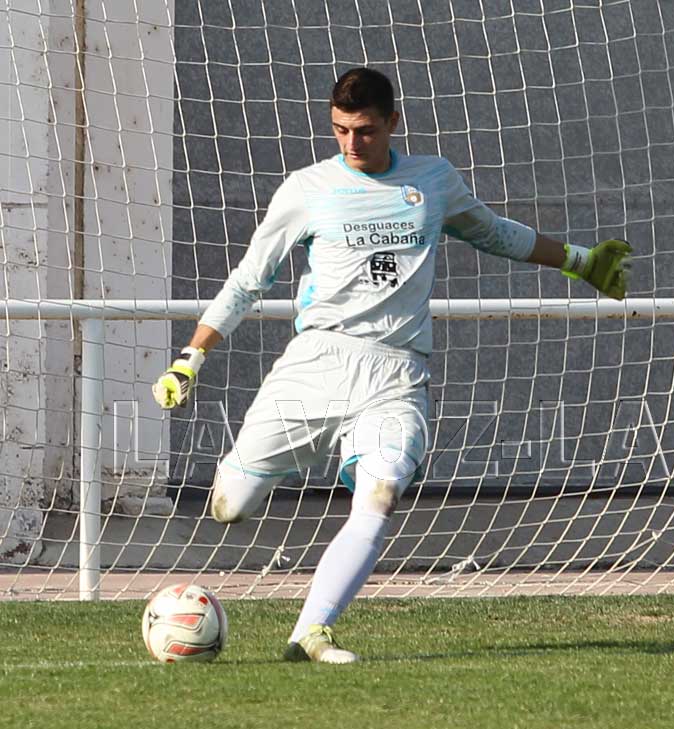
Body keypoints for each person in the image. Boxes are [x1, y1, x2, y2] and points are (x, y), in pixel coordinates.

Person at [153, 68, 631, 663]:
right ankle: (271, 465)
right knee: (232, 506)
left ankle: (311, 632)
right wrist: (190, 357)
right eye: (340, 130)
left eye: (365, 130)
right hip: (316, 364)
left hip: (397, 372)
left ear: (392, 123)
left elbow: (493, 233)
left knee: (378, 497)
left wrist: (581, 260)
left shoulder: (432, 180)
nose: (352, 143)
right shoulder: (308, 188)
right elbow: (249, 280)